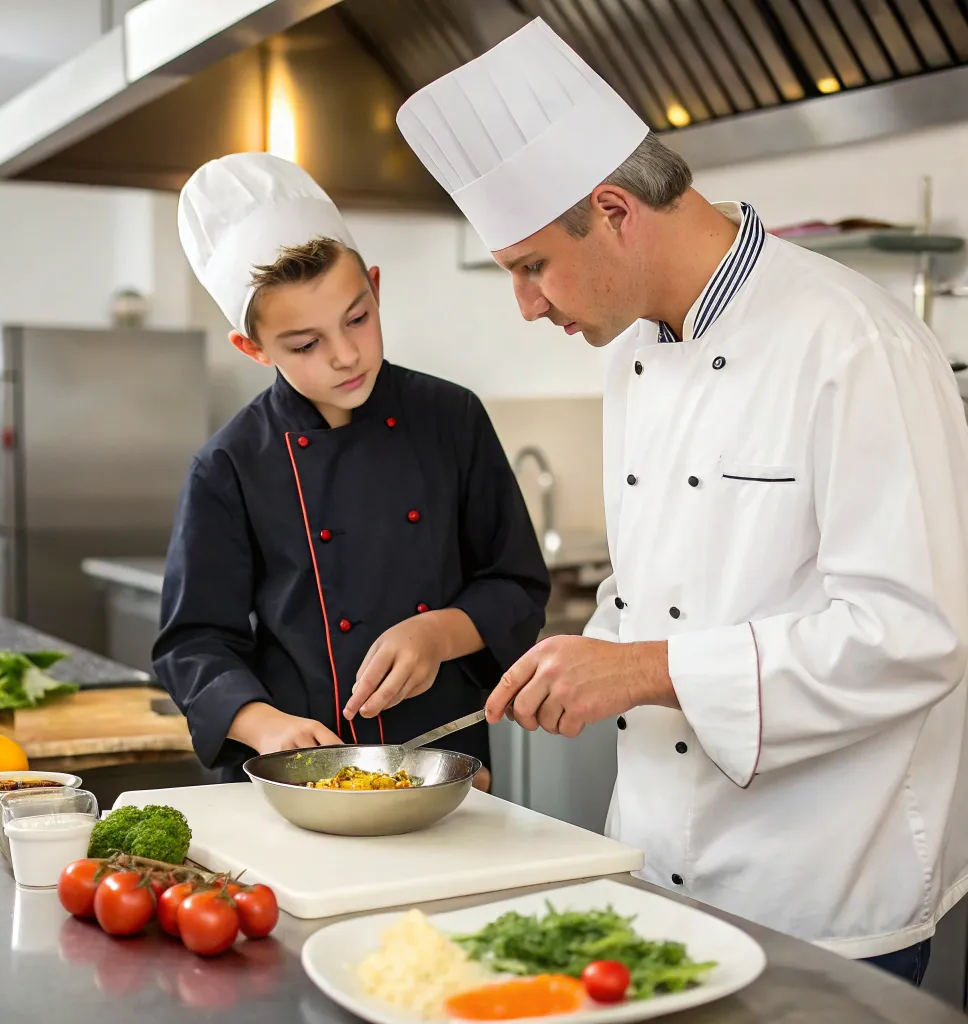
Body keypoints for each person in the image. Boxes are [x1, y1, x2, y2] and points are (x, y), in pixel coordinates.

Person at [396, 17, 968, 984]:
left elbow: (912, 633)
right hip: (654, 870)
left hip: (819, 889)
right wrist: (581, 657)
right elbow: (664, 581)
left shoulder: (853, 343)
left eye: (532, 265)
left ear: (614, 210)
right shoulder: (630, 356)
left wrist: (645, 670)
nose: (527, 306)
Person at [154, 152, 550, 793]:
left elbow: (515, 584)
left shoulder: (451, 417)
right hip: (295, 777)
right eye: (305, 344)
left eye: (358, 318)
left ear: (374, 284)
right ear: (252, 348)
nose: (345, 355)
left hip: (442, 764)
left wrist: (438, 632)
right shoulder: (229, 464)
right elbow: (194, 642)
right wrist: (263, 726)